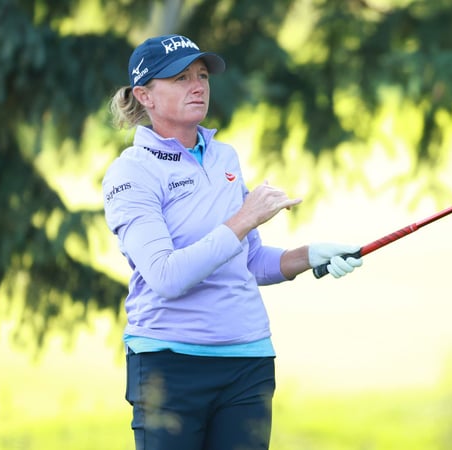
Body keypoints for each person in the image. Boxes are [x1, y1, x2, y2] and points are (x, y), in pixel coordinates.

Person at [102, 34, 363, 450]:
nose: (198, 86)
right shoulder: (130, 173)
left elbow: (250, 259)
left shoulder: (224, 157)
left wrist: (310, 255)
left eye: (202, 75)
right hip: (170, 365)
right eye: (180, 77)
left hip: (248, 360)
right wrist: (244, 218)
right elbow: (167, 276)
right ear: (144, 96)